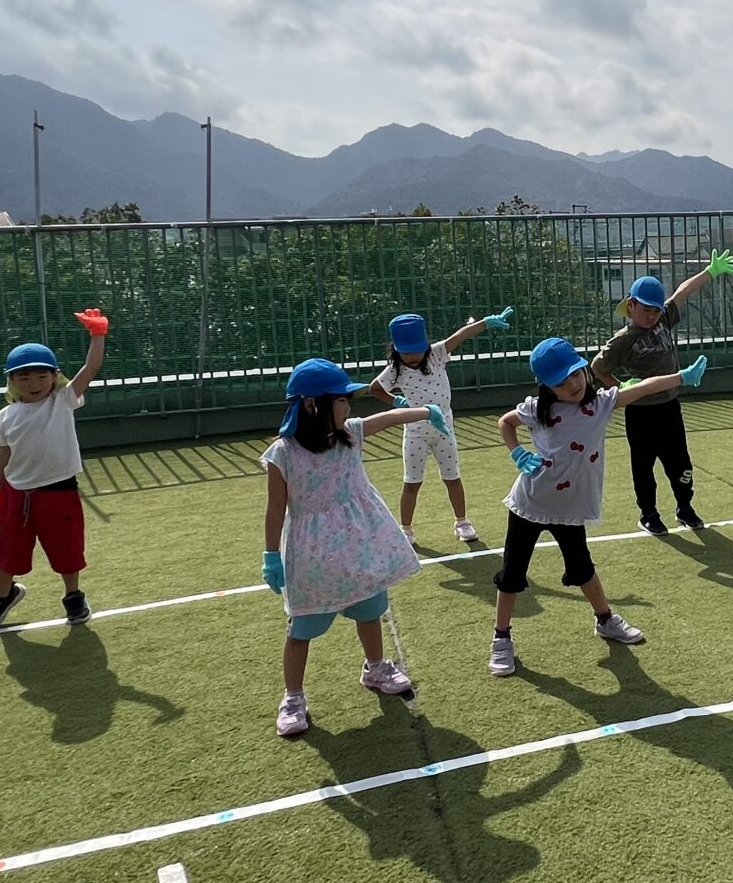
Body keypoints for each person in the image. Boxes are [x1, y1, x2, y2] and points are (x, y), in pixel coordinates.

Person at [489, 337, 709, 678]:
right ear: (546, 387)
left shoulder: (601, 404)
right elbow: (505, 422)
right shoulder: (536, 409)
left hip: (570, 509)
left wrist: (681, 376)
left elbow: (643, 388)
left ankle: (605, 620)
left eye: (576, 374)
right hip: (528, 504)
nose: (573, 384)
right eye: (561, 382)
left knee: (582, 567)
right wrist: (517, 452)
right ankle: (501, 638)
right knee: (512, 574)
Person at [262, 358, 450, 737]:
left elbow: (389, 419)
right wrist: (270, 556)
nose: (348, 406)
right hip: (312, 556)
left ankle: (375, 667)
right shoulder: (284, 453)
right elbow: (276, 507)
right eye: (341, 400)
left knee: (370, 608)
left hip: (360, 545)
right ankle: (293, 697)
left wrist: (427, 411)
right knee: (302, 627)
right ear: (312, 404)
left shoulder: (349, 433)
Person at [0, 309, 109, 631]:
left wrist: (97, 335)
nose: (33, 383)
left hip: (59, 491)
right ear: (11, 381)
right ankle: (3, 596)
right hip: (16, 494)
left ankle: (73, 596)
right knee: (8, 552)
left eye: (41, 375)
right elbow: (2, 458)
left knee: (66, 549)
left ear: (55, 376)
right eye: (23, 377)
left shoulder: (63, 400)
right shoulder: (6, 415)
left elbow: (91, 368)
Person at [590, 250, 733, 534]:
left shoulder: (663, 320)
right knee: (643, 465)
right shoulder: (623, 340)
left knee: (680, 462)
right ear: (631, 305)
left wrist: (710, 271)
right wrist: (621, 388)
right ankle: (648, 514)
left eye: (655, 310)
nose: (652, 316)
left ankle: (685, 508)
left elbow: (683, 291)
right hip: (640, 413)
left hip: (669, 406)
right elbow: (597, 367)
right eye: (646, 310)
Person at [367, 306, 513, 545]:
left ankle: (462, 522)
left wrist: (486, 322)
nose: (413, 356)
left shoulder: (436, 354)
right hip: (415, 434)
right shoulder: (395, 370)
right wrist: (396, 401)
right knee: (411, 483)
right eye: (407, 352)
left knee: (453, 478)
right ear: (396, 349)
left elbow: (460, 335)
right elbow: (374, 388)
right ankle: (406, 529)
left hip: (444, 432)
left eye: (417, 350)